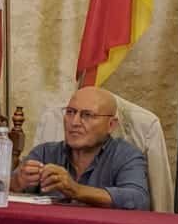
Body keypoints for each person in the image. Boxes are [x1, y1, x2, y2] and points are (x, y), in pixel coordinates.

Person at [12, 88, 151, 209]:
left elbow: (138, 200)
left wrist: (76, 190)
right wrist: (17, 182)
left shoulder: (125, 155)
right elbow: (4, 189)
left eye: (87, 115)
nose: (74, 122)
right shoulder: (45, 153)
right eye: (70, 112)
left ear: (111, 125)